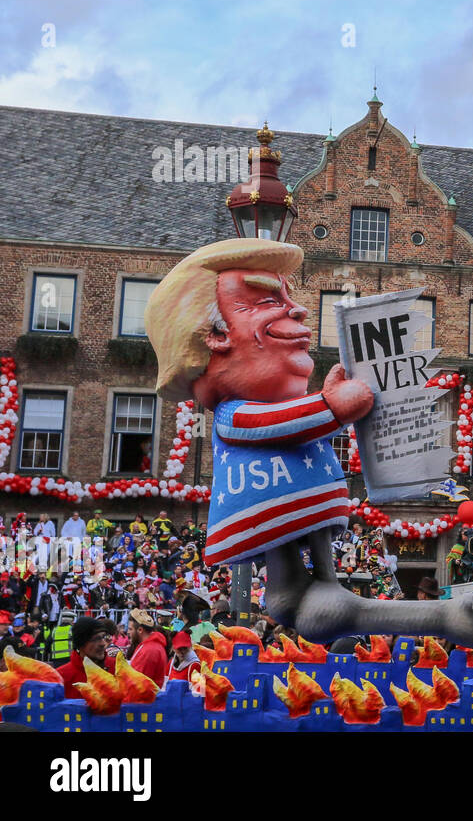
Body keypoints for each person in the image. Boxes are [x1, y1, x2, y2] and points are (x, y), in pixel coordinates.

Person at [144, 238, 372, 570]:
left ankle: (323, 582)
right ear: (215, 334)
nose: (298, 309)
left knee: (321, 582)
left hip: (314, 515)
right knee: (296, 583)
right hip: (267, 519)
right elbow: (277, 423)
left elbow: (303, 428)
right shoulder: (231, 415)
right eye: (266, 300)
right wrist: (332, 407)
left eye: (287, 296)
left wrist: (328, 406)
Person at [57, 618, 109, 701]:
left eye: (104, 637)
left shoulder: (117, 669)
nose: (103, 643)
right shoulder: (61, 677)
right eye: (96, 639)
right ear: (81, 643)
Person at [126, 609, 169, 687]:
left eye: (130, 629)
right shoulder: (149, 646)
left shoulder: (149, 650)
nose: (128, 632)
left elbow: (138, 684)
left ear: (140, 630)